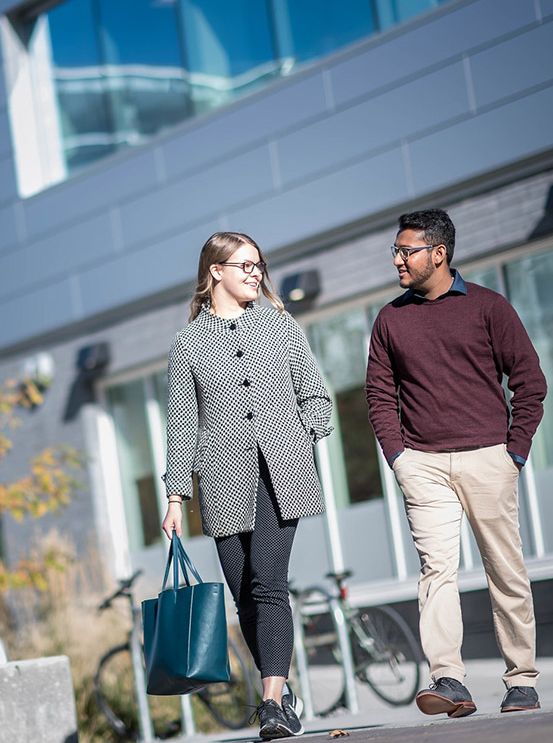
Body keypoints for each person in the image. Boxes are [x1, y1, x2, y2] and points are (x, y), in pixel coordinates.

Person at [365, 209, 547, 717]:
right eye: (396, 251)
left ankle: (521, 680)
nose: (398, 259)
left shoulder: (489, 307)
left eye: (407, 251)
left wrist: (515, 451)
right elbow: (379, 393)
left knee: (504, 569)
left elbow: (530, 381)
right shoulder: (390, 319)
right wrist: (399, 457)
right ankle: (449, 680)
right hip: (422, 463)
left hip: (490, 457)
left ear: (438, 253)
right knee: (436, 572)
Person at [161, 232, 332, 740]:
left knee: (268, 582)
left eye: (259, 265)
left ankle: (273, 704)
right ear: (216, 271)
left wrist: (309, 430)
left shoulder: (280, 325)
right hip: (222, 480)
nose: (255, 273)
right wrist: (175, 498)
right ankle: (280, 688)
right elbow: (181, 425)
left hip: (283, 472)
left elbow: (313, 391)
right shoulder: (189, 343)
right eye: (245, 265)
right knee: (244, 598)